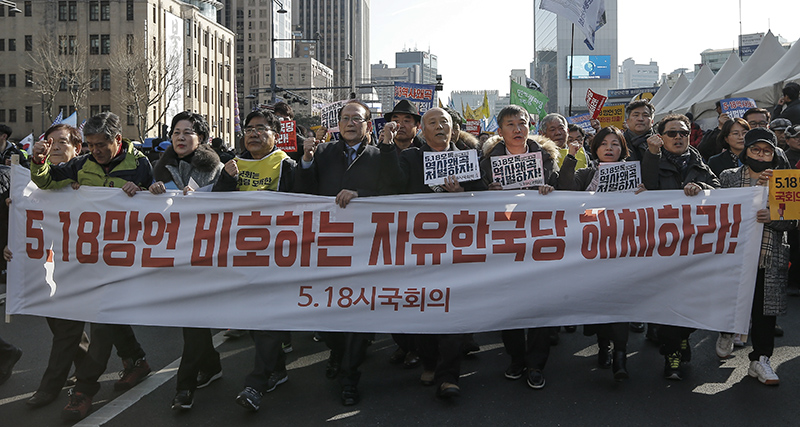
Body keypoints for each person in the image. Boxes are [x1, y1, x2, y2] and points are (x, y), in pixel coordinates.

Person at [30, 112, 154, 421]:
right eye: (90, 145)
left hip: (123, 259)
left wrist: (145, 194)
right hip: (85, 258)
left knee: (102, 324)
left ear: (118, 141)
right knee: (106, 318)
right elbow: (44, 181)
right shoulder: (80, 165)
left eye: (101, 145)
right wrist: (39, 162)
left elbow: (161, 205)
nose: (95, 151)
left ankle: (84, 390)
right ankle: (135, 360)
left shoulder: (140, 166)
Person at [379, 107, 487, 400]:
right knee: (424, 308)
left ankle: (448, 376)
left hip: (457, 249)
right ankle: (429, 361)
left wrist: (464, 197)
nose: (440, 127)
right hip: (419, 249)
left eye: (445, 122)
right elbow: (393, 185)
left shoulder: (469, 158)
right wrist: (387, 147)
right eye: (432, 123)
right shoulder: (411, 158)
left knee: (452, 310)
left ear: (454, 129)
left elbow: (485, 196)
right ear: (421, 131)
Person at [295, 99, 386, 406]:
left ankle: (350, 376)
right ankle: (336, 352)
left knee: (358, 316)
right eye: (345, 118)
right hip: (327, 244)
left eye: (356, 119)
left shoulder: (379, 156)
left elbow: (395, 193)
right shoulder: (321, 153)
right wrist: (305, 161)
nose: (349, 123)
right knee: (328, 312)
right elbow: (302, 191)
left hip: (366, 247)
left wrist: (361, 197)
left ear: (367, 125)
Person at [212, 109, 296, 412]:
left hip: (277, 256)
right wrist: (226, 180)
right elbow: (217, 208)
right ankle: (278, 370)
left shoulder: (286, 166)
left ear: (275, 135)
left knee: (266, 319)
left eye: (261, 129)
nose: (253, 133)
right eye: (249, 128)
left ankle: (256, 383)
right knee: (258, 319)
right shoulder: (232, 165)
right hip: (242, 256)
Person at [479, 105, 569, 390]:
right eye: (510, 124)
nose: (517, 129)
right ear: (500, 131)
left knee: (541, 303)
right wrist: (486, 193)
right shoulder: (487, 162)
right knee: (511, 304)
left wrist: (550, 189)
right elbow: (474, 202)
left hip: (540, 240)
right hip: (505, 242)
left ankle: (536, 363)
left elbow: (562, 190)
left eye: (522, 123)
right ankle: (516, 358)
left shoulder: (545, 158)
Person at [148, 112, 224, 411]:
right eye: (176, 132)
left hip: (205, 254)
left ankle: (185, 386)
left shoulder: (214, 168)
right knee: (190, 319)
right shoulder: (161, 166)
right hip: (174, 253)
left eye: (188, 132)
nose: (180, 137)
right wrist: (150, 192)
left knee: (192, 319)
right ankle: (213, 364)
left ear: (201, 138)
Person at [12, 124, 91, 409]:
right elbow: (23, 221)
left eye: (61, 142)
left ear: (77, 148)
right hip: (48, 264)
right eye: (50, 142)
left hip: (81, 263)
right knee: (58, 321)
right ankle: (111, 361)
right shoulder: (33, 182)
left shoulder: (87, 179)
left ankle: (49, 387)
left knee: (67, 323)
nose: (54, 147)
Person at [642, 114, 720, 380]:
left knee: (692, 302)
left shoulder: (700, 164)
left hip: (695, 248)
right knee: (665, 303)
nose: (678, 137)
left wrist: (703, 187)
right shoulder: (651, 160)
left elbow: (720, 191)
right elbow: (648, 187)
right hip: (661, 248)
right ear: (660, 138)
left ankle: (684, 336)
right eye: (672, 133)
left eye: (683, 133)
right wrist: (651, 155)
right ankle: (671, 353)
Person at [717, 128, 796, 385]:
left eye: (767, 151)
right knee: (730, 300)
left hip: (767, 255)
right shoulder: (728, 177)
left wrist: (774, 218)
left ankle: (761, 359)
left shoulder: (783, 180)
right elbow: (715, 211)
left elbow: (792, 221)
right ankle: (727, 331)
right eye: (755, 149)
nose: (761, 155)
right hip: (734, 256)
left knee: (764, 312)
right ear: (746, 151)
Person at [565, 126, 644, 381]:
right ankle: (603, 345)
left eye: (616, 144)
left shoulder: (634, 175)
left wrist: (643, 196)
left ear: (623, 149)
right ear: (595, 148)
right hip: (592, 249)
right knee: (600, 300)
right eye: (604, 144)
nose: (610, 148)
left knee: (621, 302)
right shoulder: (586, 174)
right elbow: (565, 189)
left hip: (623, 248)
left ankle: (620, 354)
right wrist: (569, 156)